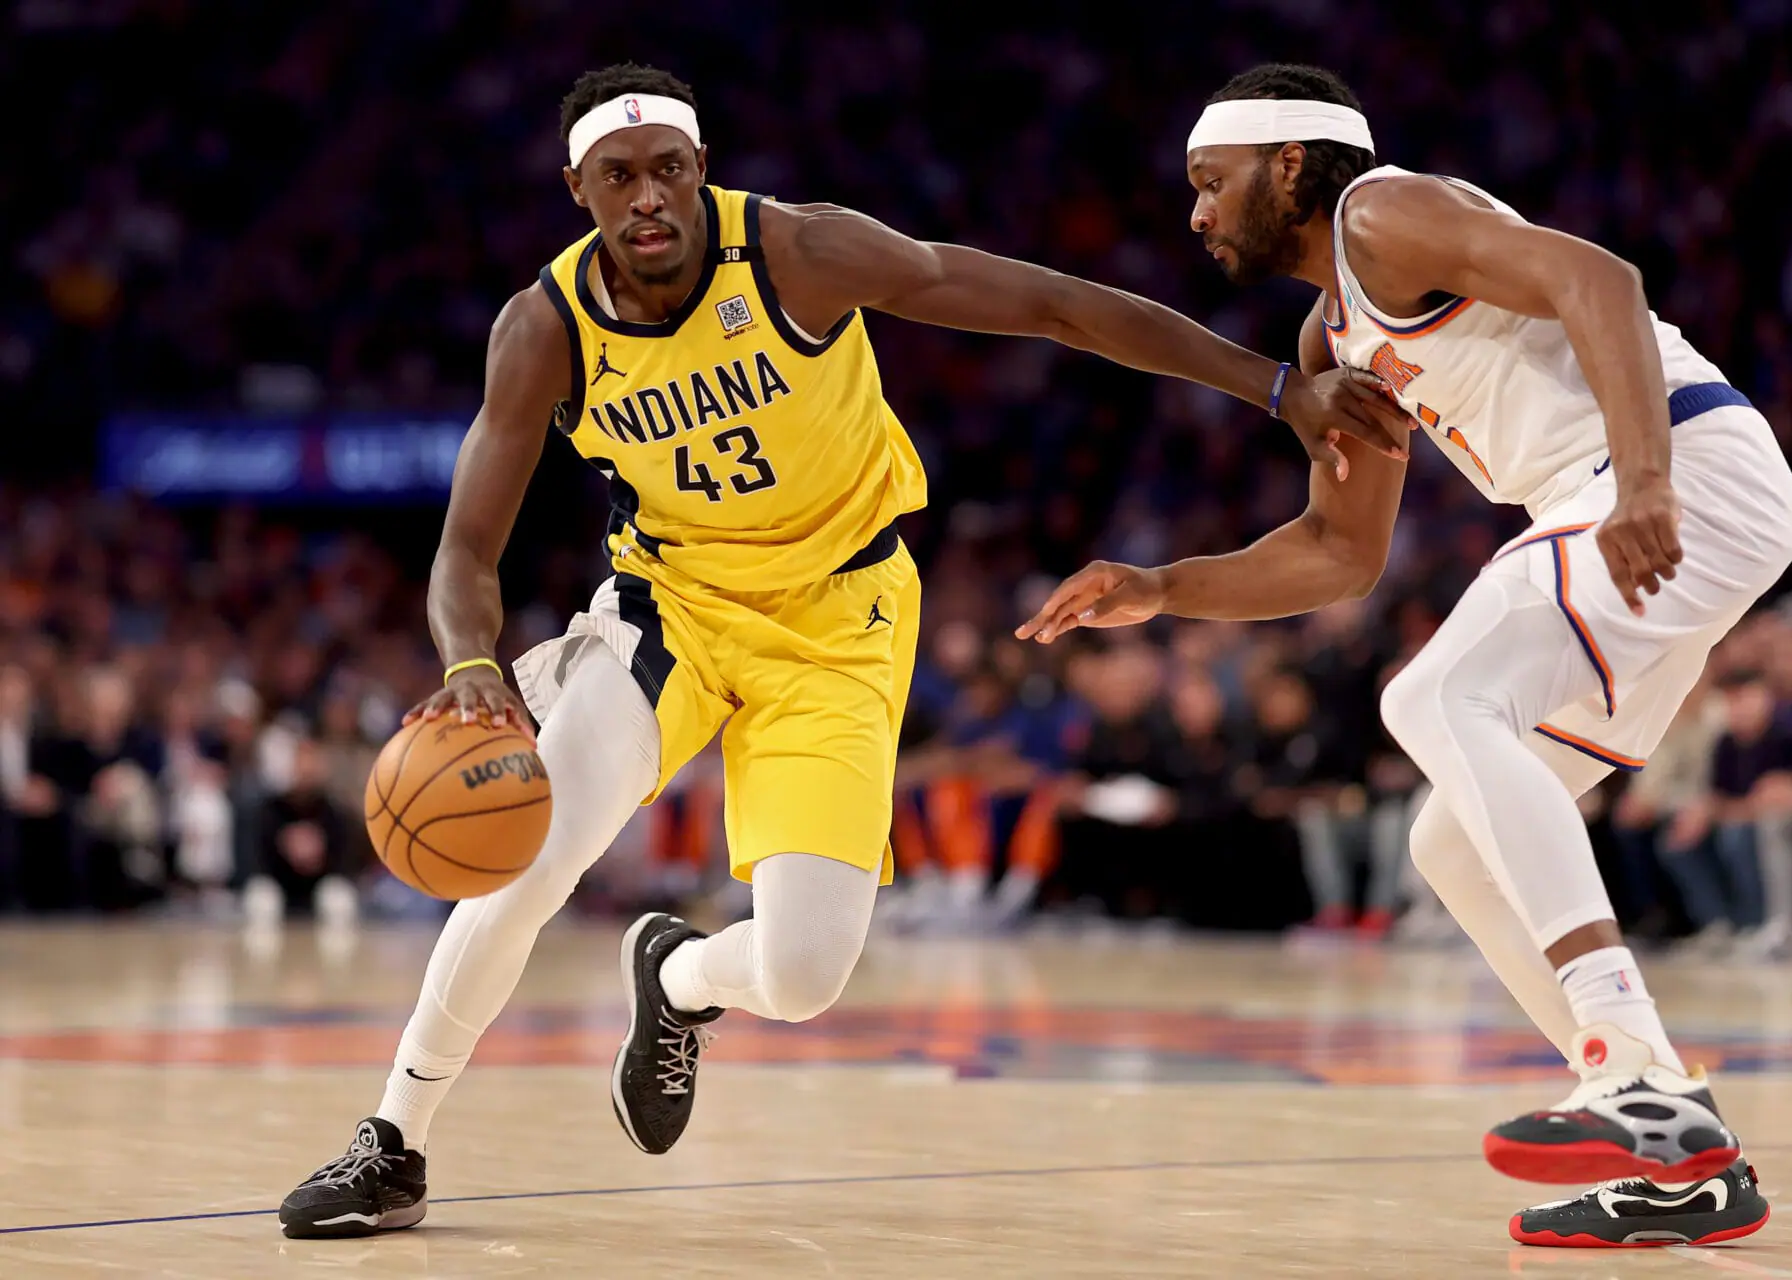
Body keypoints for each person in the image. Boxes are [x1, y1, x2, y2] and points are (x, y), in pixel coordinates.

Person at [277, 62, 1408, 1240]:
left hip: (840, 618)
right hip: (674, 612)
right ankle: (393, 1139)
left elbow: (1053, 304)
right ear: (578, 189)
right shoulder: (543, 328)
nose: (650, 195)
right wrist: (472, 671)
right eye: (620, 176)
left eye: (670, 167)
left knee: (808, 976)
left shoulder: (799, 255)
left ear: (700, 169)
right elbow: (466, 550)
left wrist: (1278, 389)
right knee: (530, 855)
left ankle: (675, 977)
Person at [1018, 64, 1792, 1249]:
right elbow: (1339, 554)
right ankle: (1676, 1136)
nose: (1195, 212)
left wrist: (1641, 477)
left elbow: (1602, 278)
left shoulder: (1382, 214)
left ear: (1287, 166)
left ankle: (1624, 1073)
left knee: (1438, 694)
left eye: (1208, 182)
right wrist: (1164, 588)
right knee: (1448, 839)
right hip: (1618, 505)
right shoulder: (1331, 329)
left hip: (1677, 468)